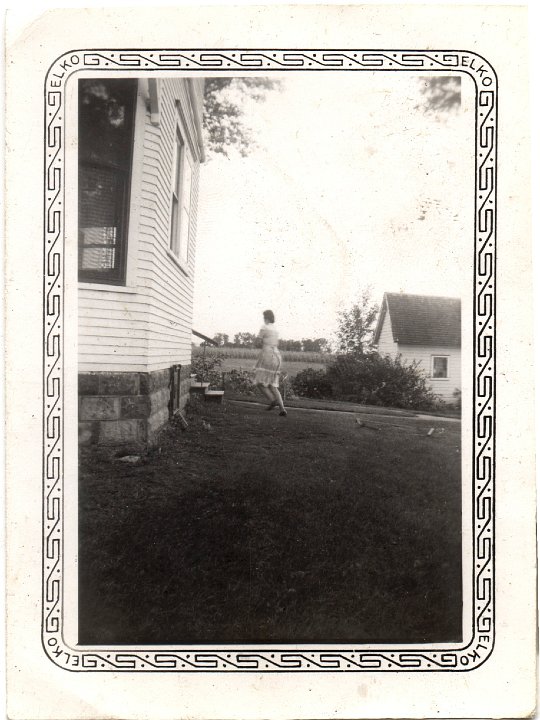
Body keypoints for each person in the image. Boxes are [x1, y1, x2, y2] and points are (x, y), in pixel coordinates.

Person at [254, 310, 287, 416]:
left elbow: (258, 342)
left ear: (266, 317)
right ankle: (282, 409)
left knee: (259, 382)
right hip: (277, 356)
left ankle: (273, 400)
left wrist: (258, 343)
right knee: (273, 385)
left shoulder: (264, 326)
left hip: (267, 355)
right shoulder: (275, 329)